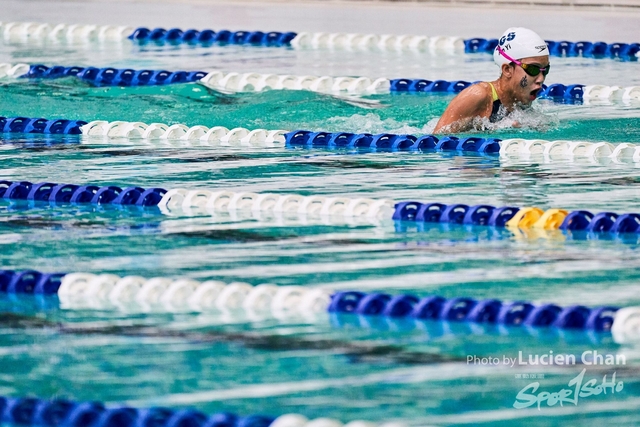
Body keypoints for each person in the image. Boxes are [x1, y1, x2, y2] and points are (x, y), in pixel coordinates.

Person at [433, 27, 550, 134]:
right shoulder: (478, 96)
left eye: (545, 70)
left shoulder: (521, 103)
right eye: (533, 69)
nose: (541, 79)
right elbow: (437, 140)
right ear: (507, 70)